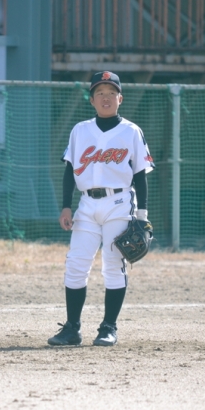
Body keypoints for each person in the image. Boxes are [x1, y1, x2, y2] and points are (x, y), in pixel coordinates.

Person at [48, 71, 154, 347]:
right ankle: (72, 329)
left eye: (111, 93)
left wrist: (142, 216)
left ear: (120, 99)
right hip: (86, 204)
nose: (106, 98)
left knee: (113, 265)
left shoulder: (131, 131)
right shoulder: (80, 130)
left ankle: (108, 327)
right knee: (76, 264)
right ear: (92, 100)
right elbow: (70, 171)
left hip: (119, 202)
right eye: (100, 93)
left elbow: (140, 175)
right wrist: (66, 206)